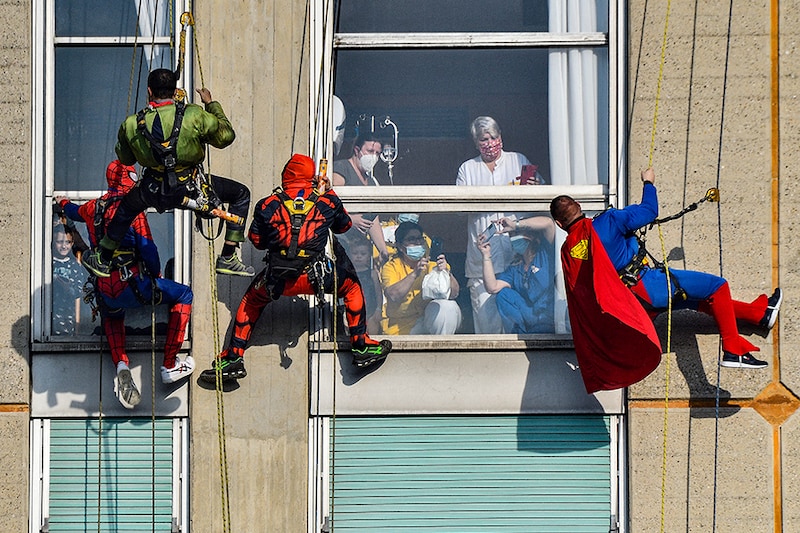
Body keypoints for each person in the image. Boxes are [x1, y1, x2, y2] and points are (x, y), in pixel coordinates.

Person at [550, 167, 782, 377]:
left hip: (633, 306)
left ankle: (759, 314)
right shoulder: (608, 221)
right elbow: (649, 211)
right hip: (649, 284)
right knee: (717, 287)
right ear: (579, 206)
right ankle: (733, 349)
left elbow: (582, 294)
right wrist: (648, 183)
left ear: (559, 224)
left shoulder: (568, 252)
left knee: (698, 302)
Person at [199, 154, 392, 383]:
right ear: (311, 176)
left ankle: (233, 357)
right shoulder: (326, 200)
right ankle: (361, 345)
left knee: (251, 301)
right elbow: (344, 226)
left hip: (278, 277)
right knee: (351, 288)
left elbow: (257, 241)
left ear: (286, 176)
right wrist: (328, 193)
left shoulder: (267, 204)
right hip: (318, 276)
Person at [81, 68, 254, 279]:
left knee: (126, 209)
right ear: (175, 92)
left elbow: (126, 159)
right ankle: (228, 255)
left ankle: (103, 258)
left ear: (149, 91)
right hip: (191, 188)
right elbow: (226, 137)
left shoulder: (133, 123)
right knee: (241, 193)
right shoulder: (194, 115)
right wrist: (211, 104)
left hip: (153, 189)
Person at [58, 160, 196, 409]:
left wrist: (62, 203)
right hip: (135, 285)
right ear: (128, 179)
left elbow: (73, 212)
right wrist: (154, 277)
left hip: (106, 289)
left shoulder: (93, 207)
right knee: (184, 294)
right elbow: (149, 249)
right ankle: (170, 363)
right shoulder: (133, 210)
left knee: (112, 317)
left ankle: (121, 364)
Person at [456, 116, 546, 333]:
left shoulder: (518, 160)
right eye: (483, 139)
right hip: (482, 261)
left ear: (501, 138)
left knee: (518, 324)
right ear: (476, 143)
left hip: (518, 259)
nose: (489, 143)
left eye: (493, 137)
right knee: (487, 328)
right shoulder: (467, 169)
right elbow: (458, 209)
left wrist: (536, 187)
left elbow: (543, 199)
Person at [380, 221, 462, 335]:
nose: (417, 242)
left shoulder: (433, 263)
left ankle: (442, 349)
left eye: (420, 238)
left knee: (448, 306)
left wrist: (447, 273)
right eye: (411, 239)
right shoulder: (391, 266)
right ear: (400, 246)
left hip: (432, 320)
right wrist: (414, 274)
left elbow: (454, 293)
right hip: (403, 326)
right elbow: (393, 296)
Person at [478, 216, 556, 334]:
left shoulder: (545, 253)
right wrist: (485, 255)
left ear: (531, 236)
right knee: (503, 294)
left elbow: (548, 223)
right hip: (529, 319)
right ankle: (518, 335)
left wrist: (515, 225)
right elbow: (492, 287)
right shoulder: (515, 267)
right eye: (511, 235)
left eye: (517, 234)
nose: (513, 238)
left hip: (548, 320)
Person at [332, 131, 390, 265]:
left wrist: (382, 249)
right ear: (357, 150)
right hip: (340, 242)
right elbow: (330, 203)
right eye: (370, 151)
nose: (373, 156)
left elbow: (372, 219)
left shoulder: (370, 181)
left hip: (359, 251)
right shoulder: (342, 169)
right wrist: (350, 219)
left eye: (377, 153)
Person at [51, 224, 88, 336]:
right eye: (59, 242)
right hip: (48, 316)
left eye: (67, 242)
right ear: (53, 242)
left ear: (72, 243)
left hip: (67, 316)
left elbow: (78, 292)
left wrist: (68, 288)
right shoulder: (48, 264)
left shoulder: (74, 266)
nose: (64, 246)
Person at [343, 234, 383, 335]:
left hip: (371, 311)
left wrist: (379, 309)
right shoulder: (347, 274)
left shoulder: (372, 273)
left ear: (369, 256)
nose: (359, 256)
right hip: (352, 311)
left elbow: (378, 293)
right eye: (355, 253)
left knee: (372, 334)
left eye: (363, 253)